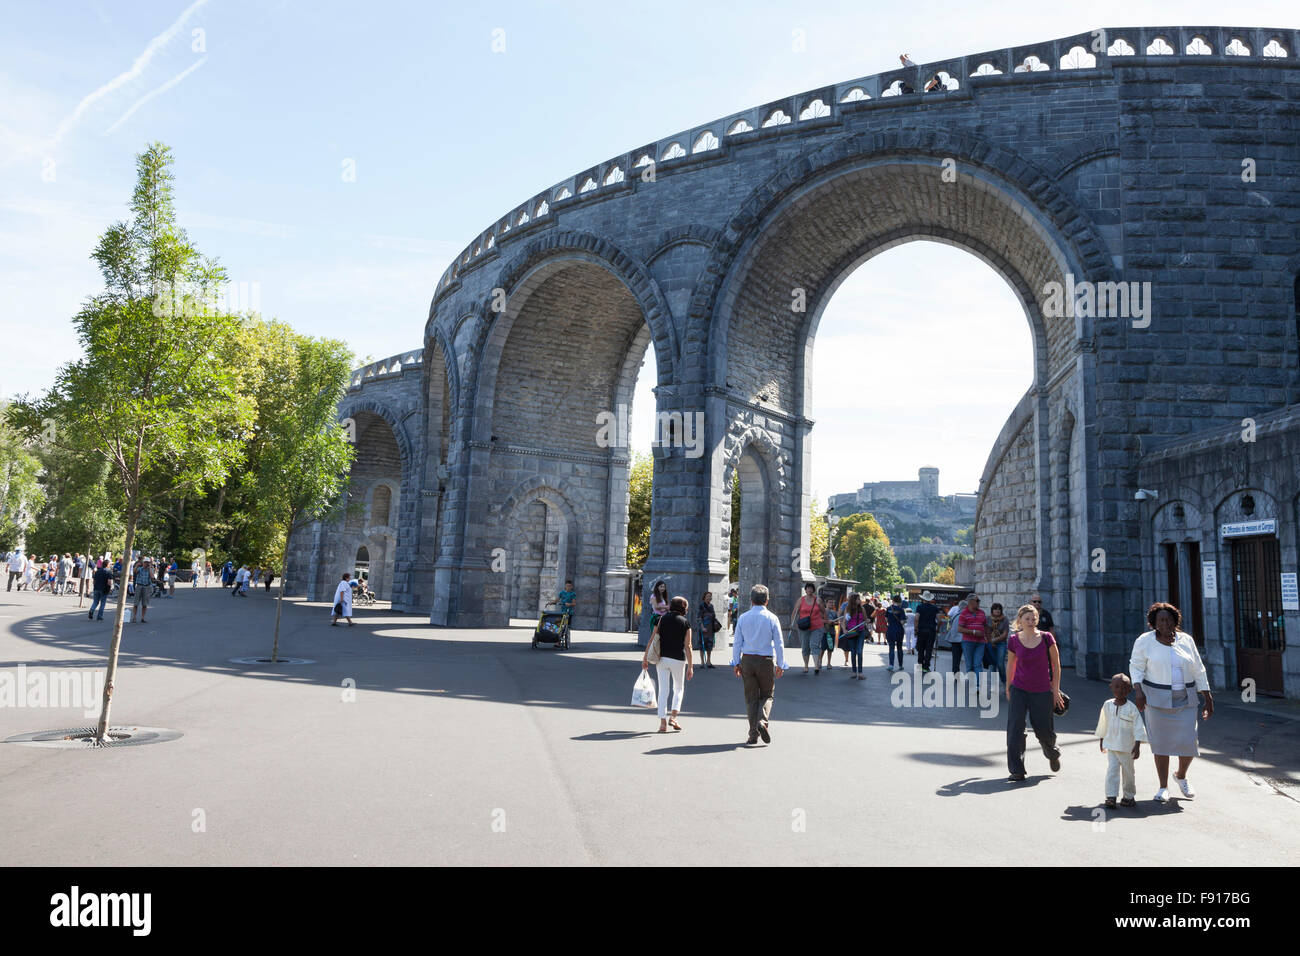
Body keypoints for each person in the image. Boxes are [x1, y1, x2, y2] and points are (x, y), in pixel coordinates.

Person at [1129, 602, 1213, 802]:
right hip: (1156, 699)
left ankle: (1181, 776)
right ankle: (1163, 787)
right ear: (1154, 623)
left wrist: (1207, 697)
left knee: (1189, 742)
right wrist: (1138, 690)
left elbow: (1198, 669)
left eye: (1169, 620)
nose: (1165, 624)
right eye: (1161, 620)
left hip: (1185, 698)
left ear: (1176, 621)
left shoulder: (1186, 640)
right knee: (1161, 744)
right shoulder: (1145, 641)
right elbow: (1136, 666)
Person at [1005, 603, 1063, 782]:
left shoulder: (1046, 638)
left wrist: (1055, 690)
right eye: (1027, 619)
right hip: (1019, 689)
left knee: (1044, 730)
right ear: (1020, 620)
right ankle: (1017, 769)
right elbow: (1011, 664)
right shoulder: (1014, 640)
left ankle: (1052, 752)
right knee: (1015, 729)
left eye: (1034, 619)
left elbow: (1056, 665)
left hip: (1042, 690)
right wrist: (1008, 686)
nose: (1031, 621)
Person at [730, 584, 786, 745]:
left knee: (751, 698)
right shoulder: (772, 618)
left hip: (747, 659)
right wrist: (780, 664)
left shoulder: (743, 617)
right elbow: (779, 643)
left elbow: (737, 643)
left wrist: (736, 662)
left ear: (751, 600)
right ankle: (762, 720)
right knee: (767, 694)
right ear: (767, 601)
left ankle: (752, 734)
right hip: (766, 660)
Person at [1095, 673, 1147, 808]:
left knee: (1128, 773)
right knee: (1112, 771)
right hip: (1112, 746)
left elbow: (1138, 728)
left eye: (1124, 688)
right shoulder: (1107, 705)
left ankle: (1129, 797)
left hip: (1127, 748)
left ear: (1129, 690)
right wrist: (1102, 739)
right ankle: (1111, 796)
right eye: (1117, 687)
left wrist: (1137, 746)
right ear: (1111, 687)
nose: (1120, 690)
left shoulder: (1131, 708)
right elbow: (1103, 723)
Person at [643, 595, 693, 732]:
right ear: (683, 608)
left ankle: (662, 723)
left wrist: (645, 657)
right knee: (678, 688)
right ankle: (674, 716)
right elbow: (688, 645)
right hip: (678, 659)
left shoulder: (662, 619)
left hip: (662, 659)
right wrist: (691, 666)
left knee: (663, 690)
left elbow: (653, 639)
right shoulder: (685, 623)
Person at [790, 582, 825, 674]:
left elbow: (823, 612)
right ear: (805, 590)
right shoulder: (801, 600)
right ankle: (806, 665)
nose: (809, 590)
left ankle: (816, 666)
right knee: (805, 647)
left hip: (816, 626)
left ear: (813, 590)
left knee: (814, 645)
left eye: (811, 588)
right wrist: (792, 623)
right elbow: (795, 611)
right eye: (807, 588)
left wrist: (825, 621)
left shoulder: (818, 600)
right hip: (804, 626)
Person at [839, 592, 870, 679]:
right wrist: (844, 630)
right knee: (853, 652)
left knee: (859, 652)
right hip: (851, 633)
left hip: (860, 632)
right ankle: (853, 672)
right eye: (858, 599)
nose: (860, 600)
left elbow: (865, 619)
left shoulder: (862, 609)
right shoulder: (848, 609)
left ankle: (860, 673)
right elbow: (844, 622)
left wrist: (867, 621)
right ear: (854, 600)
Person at [958, 594, 989, 678]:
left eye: (979, 601)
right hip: (968, 642)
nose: (979, 602)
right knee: (970, 664)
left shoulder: (982, 613)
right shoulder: (964, 613)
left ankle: (978, 686)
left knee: (978, 664)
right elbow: (959, 629)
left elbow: (985, 626)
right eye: (977, 601)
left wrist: (988, 638)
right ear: (970, 602)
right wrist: (974, 631)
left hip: (980, 642)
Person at [914, 591, 940, 672]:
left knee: (920, 648)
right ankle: (926, 666)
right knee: (929, 648)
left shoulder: (919, 607)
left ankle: (920, 664)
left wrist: (916, 629)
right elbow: (939, 620)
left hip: (921, 630)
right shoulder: (935, 608)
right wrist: (937, 629)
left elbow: (916, 619)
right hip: (931, 630)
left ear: (923, 598)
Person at [984, 602, 1010, 683]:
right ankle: (993, 684)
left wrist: (994, 640)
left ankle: (1005, 681)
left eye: (999, 609)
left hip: (1001, 643)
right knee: (992, 664)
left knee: (1000, 664)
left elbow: (1005, 634)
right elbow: (987, 632)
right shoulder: (988, 619)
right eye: (995, 608)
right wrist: (990, 642)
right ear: (992, 610)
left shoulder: (1005, 619)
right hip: (990, 642)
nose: (997, 610)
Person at [885, 594, 907, 672]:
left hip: (890, 629)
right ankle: (900, 665)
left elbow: (886, 620)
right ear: (900, 601)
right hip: (899, 630)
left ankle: (891, 665)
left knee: (891, 648)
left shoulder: (888, 609)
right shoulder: (901, 610)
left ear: (893, 601)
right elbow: (902, 622)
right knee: (899, 648)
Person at [697, 591, 719, 668]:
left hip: (710, 628)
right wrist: (702, 627)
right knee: (702, 645)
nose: (710, 597)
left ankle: (708, 661)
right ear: (704, 597)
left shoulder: (711, 606)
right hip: (704, 628)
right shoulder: (701, 605)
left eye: (710, 596)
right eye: (708, 596)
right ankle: (702, 662)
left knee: (710, 645)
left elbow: (714, 616)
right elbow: (699, 618)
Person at [132, 558, 153, 624]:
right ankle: (134, 617)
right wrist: (137, 565)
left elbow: (152, 577)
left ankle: (142, 618)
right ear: (143, 563)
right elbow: (134, 571)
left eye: (148, 563)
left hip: (146, 586)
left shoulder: (150, 569)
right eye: (146, 562)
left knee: (145, 604)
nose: (147, 564)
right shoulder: (140, 569)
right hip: (139, 586)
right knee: (136, 603)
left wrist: (149, 568)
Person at [945, 601, 964, 673]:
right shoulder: (968, 614)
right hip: (964, 639)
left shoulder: (955, 612)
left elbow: (949, 615)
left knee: (956, 658)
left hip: (955, 639)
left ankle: (955, 673)